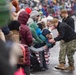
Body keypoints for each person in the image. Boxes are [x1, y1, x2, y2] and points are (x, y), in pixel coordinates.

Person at [18, 11, 33, 75]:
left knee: (17, 65)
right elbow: (29, 40)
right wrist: (30, 44)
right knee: (25, 65)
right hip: (24, 48)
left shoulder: (15, 26)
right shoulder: (26, 28)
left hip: (16, 47)